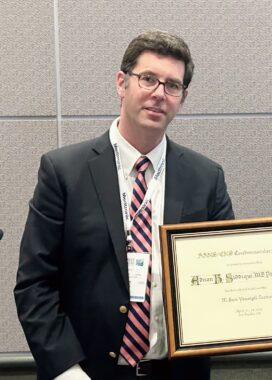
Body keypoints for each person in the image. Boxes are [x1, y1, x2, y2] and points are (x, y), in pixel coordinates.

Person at [14, 30, 234, 380]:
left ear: (182, 97)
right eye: (148, 79)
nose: (159, 94)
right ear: (122, 82)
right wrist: (68, 373)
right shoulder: (64, 172)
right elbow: (35, 285)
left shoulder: (206, 178)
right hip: (84, 374)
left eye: (172, 85)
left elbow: (229, 280)